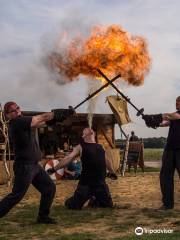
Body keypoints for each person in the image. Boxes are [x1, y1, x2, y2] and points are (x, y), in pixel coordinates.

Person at [0, 101, 56, 224]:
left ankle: (43, 217)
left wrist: (55, 120)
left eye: (17, 108)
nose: (17, 111)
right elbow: (40, 118)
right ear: (8, 115)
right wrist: (54, 113)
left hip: (35, 165)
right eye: (13, 110)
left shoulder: (23, 123)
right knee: (16, 196)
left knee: (49, 188)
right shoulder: (17, 122)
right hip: (25, 167)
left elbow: (41, 124)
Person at [47, 128, 113, 209]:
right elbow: (68, 159)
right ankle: (78, 199)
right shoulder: (80, 147)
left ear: (92, 134)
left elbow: (107, 160)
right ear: (84, 135)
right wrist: (54, 169)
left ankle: (94, 198)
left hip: (100, 183)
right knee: (73, 206)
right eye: (84, 132)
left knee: (108, 206)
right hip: (86, 183)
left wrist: (112, 172)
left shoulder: (100, 147)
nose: (89, 130)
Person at [143, 96, 180, 210]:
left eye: (179, 102)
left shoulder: (176, 115)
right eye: (176, 102)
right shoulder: (174, 115)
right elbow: (165, 122)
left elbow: (170, 116)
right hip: (169, 149)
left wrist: (154, 117)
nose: (176, 104)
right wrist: (152, 122)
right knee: (165, 177)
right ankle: (167, 204)